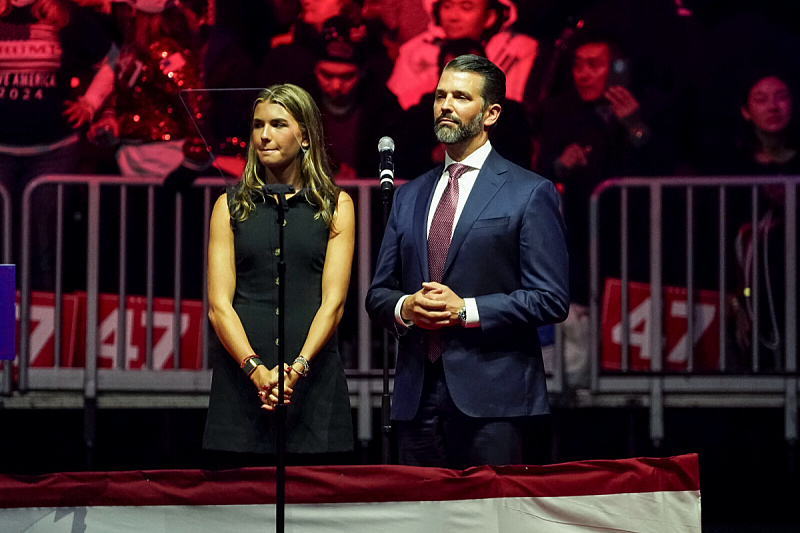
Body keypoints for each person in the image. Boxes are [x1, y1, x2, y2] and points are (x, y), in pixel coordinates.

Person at [366, 55, 569, 469]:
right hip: (415, 395)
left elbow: (551, 298)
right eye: (440, 95)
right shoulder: (409, 195)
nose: (445, 104)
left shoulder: (530, 192)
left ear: (491, 113)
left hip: (495, 398)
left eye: (460, 96)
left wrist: (465, 311)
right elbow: (378, 294)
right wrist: (407, 307)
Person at [204, 84, 355, 464]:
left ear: (304, 135)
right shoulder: (229, 206)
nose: (264, 135)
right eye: (258, 125)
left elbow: (333, 305)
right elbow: (219, 306)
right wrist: (256, 372)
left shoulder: (337, 205)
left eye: (277, 124)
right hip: (242, 386)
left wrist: (297, 369)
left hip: (314, 385)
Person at [387, 0, 538, 111]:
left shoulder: (518, 51)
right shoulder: (414, 51)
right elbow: (395, 108)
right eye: (447, 6)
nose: (453, 16)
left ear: (490, 17)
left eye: (466, 8)